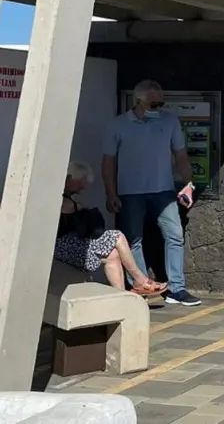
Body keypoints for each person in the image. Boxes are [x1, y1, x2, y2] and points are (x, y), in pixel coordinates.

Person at [101, 79, 201, 307]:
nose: (158, 108)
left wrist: (189, 184)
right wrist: (110, 193)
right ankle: (140, 285)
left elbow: (181, 155)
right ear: (138, 101)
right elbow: (108, 162)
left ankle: (177, 288)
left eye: (161, 103)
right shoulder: (118, 125)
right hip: (130, 192)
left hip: (164, 190)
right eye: (153, 104)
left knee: (175, 235)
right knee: (134, 240)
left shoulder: (170, 121)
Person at [55, 160, 167, 297]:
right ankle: (140, 280)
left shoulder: (69, 198)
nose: (82, 188)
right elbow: (66, 209)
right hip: (60, 247)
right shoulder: (59, 196)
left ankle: (121, 297)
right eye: (82, 183)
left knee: (112, 254)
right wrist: (78, 208)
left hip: (71, 244)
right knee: (117, 236)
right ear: (71, 178)